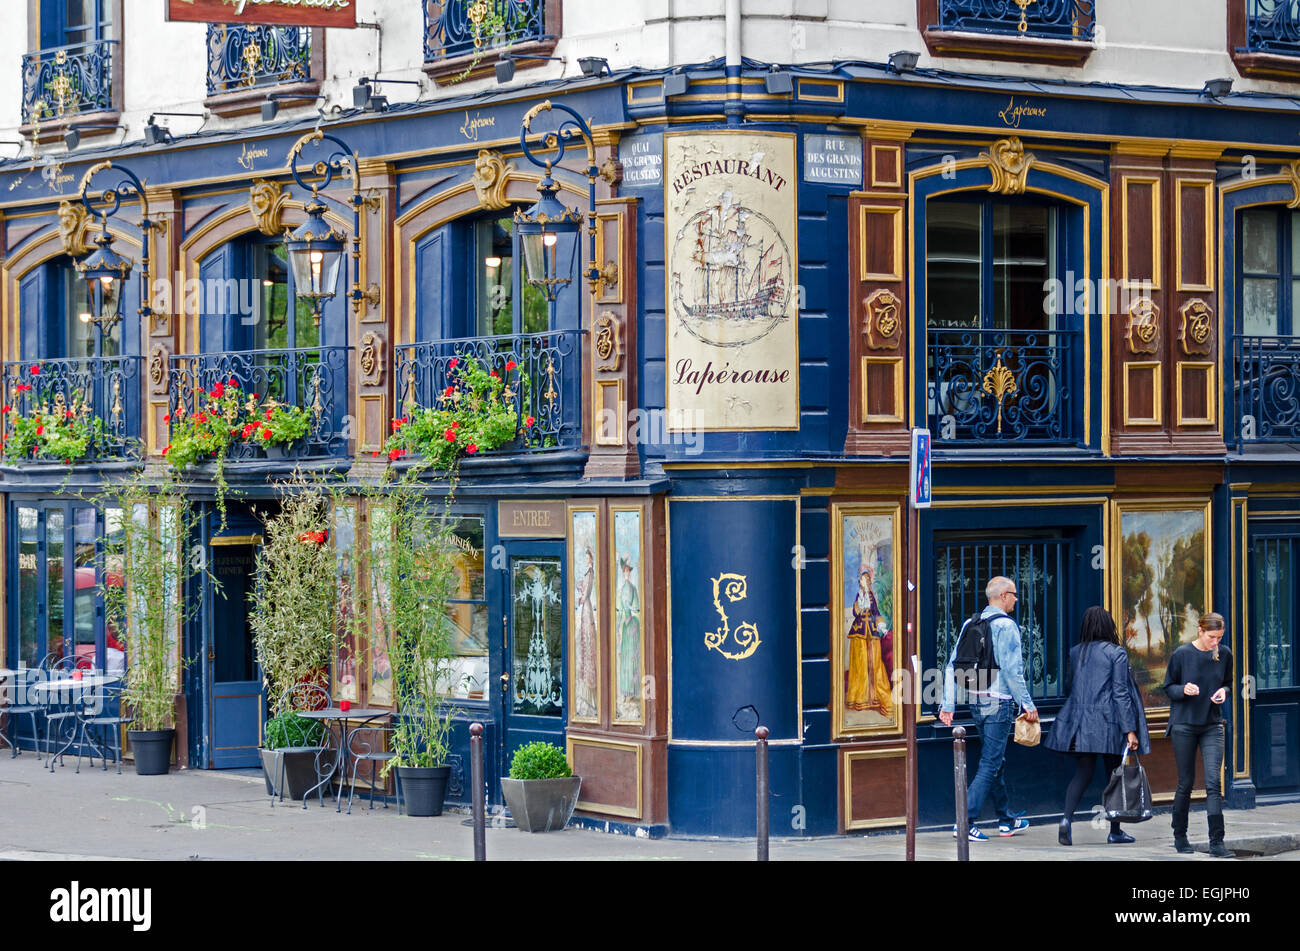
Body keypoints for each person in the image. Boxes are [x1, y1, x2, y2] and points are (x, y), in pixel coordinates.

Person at [940, 576, 1038, 841]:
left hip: (976, 701)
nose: (1017, 599)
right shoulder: (1007, 626)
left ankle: (1006, 820)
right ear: (1004, 596)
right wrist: (1028, 704)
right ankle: (964, 821)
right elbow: (1012, 671)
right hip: (999, 703)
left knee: (996, 762)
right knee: (990, 763)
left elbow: (951, 666)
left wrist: (948, 704)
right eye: (1015, 594)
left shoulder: (969, 624)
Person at [1045, 606, 1149, 846]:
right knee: (1114, 776)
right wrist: (1130, 730)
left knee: (1083, 773)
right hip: (1109, 723)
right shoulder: (1116, 653)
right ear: (1108, 625)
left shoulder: (1075, 652)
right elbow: (1120, 693)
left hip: (1081, 723)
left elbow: (1071, 686)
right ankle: (1114, 831)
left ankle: (1066, 820)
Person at [1164, 612, 1234, 858]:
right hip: (1184, 725)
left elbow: (1228, 683)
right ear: (1200, 631)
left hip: (1212, 724)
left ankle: (1217, 843)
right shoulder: (1182, 654)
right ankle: (1180, 836)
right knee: (1186, 783)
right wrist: (1183, 689)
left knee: (1214, 784)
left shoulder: (1224, 654)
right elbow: (1168, 687)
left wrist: (1224, 692)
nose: (1216, 642)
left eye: (1220, 637)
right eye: (1212, 637)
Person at [846, 565, 893, 718]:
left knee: (875, 664)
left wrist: (881, 625)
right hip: (859, 633)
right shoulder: (859, 596)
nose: (865, 581)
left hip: (872, 634)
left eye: (867, 578)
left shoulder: (872, 597)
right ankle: (860, 699)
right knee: (860, 666)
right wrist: (860, 600)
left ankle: (877, 698)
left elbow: (876, 613)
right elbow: (855, 612)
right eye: (863, 578)